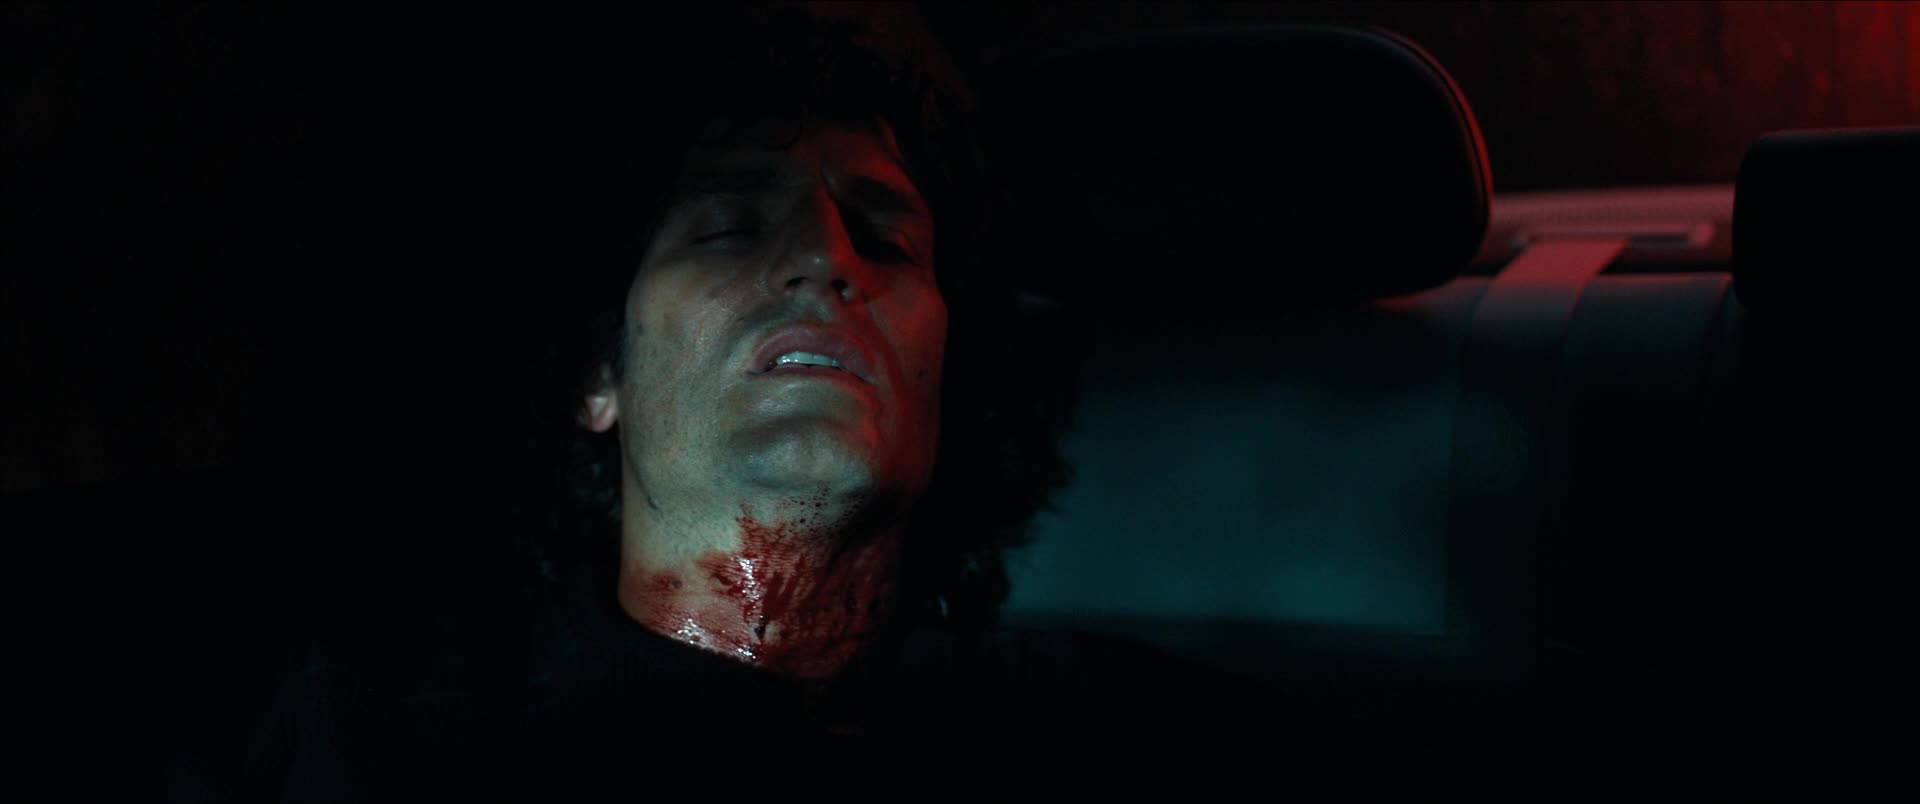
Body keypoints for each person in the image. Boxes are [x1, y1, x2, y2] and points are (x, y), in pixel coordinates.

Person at [173, 4, 1346, 799]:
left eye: (887, 235)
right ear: (595, 377)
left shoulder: (1132, 749)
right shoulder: (345, 728)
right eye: (731, 222)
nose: (826, 258)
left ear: (943, 374)